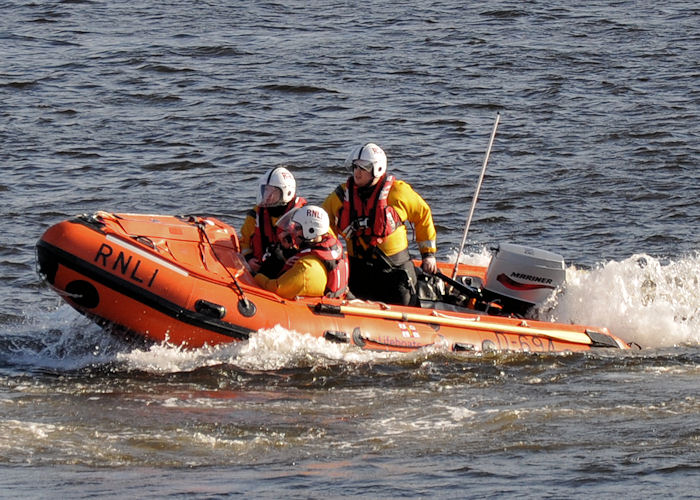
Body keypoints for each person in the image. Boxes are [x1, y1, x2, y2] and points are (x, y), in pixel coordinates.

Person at [322, 142, 437, 306]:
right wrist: (330, 258)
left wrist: (428, 255)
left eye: (363, 168)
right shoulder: (341, 196)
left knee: (405, 305)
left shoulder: (398, 193)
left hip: (394, 272)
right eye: (355, 167)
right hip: (359, 273)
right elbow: (323, 224)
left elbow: (423, 215)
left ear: (377, 169)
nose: (357, 172)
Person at [254, 205, 349, 300]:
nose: (292, 232)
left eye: (297, 228)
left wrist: (254, 275)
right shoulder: (329, 244)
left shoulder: (305, 268)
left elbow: (275, 288)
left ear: (311, 230)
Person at [240, 166, 306, 276]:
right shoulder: (256, 215)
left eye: (273, 193)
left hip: (289, 269)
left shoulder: (303, 215)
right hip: (261, 267)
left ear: (286, 192)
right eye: (266, 191)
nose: (267, 197)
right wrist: (249, 258)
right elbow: (244, 241)